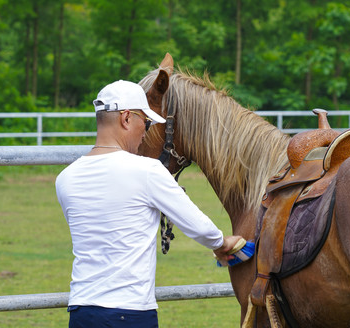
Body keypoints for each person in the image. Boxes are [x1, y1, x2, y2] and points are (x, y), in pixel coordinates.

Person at [55, 80, 242, 328]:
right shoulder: (147, 170)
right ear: (126, 118)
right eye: (147, 122)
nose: (146, 132)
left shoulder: (66, 178)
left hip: (81, 311)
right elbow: (196, 225)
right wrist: (220, 242)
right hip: (130, 312)